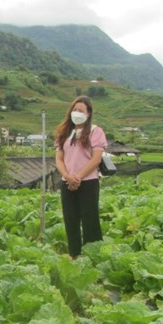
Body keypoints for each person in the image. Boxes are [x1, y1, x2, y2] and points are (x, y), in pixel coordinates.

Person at [54, 95, 108, 259]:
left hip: (88, 182)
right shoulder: (64, 133)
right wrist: (67, 176)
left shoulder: (95, 131)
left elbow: (96, 159)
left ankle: (93, 256)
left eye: (81, 110)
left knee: (90, 219)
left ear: (89, 113)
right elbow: (59, 159)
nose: (77, 113)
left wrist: (77, 177)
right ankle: (74, 255)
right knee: (71, 220)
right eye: (75, 110)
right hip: (67, 183)